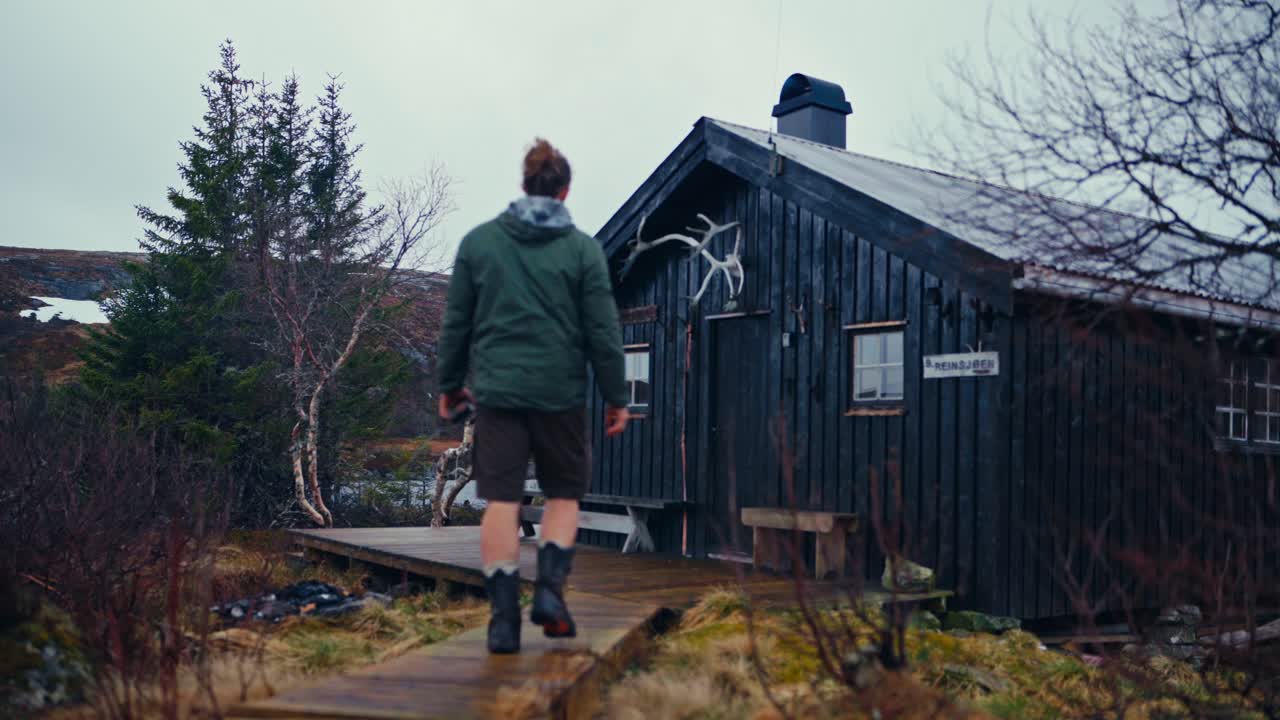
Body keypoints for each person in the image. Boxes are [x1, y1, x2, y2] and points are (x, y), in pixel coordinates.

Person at [436, 138, 630, 654]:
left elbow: (457, 324)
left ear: (524, 186)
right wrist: (616, 396)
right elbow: (603, 333)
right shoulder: (583, 251)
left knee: (501, 500)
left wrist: (449, 385)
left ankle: (503, 620)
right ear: (565, 191)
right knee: (563, 495)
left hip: (498, 395)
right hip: (560, 397)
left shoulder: (480, 244)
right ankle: (548, 593)